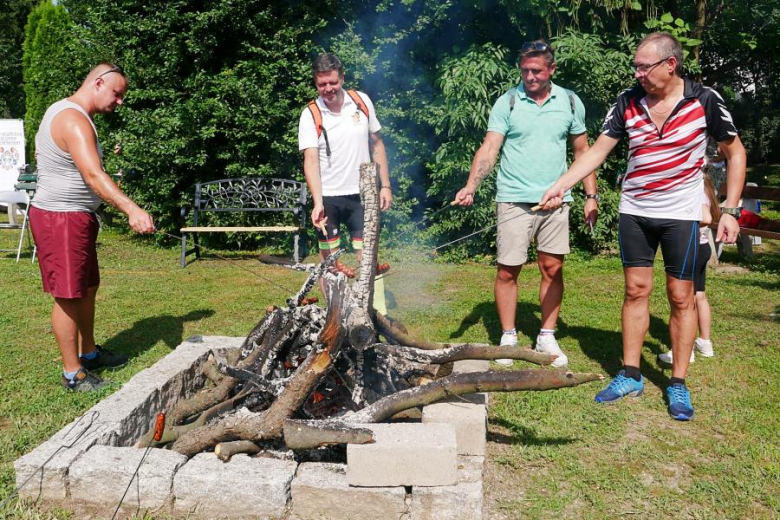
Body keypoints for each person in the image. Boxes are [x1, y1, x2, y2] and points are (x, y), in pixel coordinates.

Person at [540, 32, 746, 420]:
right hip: (635, 211)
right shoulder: (628, 101)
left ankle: (678, 382)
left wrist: (731, 210)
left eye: (643, 67)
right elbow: (598, 151)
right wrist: (561, 186)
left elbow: (735, 153)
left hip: (682, 213)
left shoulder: (704, 100)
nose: (637, 74)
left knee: (681, 295)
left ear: (670, 64)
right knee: (635, 290)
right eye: (635, 66)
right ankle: (631, 374)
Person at [454, 40, 598, 368]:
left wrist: (591, 196)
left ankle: (546, 335)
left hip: (556, 200)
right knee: (508, 269)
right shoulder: (507, 102)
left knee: (553, 268)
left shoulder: (570, 101)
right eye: (524, 71)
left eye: (536, 71)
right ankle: (508, 336)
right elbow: (490, 148)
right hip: (513, 199)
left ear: (552, 69)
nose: (530, 77)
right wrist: (471, 185)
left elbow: (583, 152)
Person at [29, 63, 155, 392]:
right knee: (69, 295)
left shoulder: (76, 115)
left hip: (76, 216)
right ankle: (73, 373)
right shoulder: (73, 119)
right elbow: (93, 175)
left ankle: (88, 353)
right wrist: (132, 209)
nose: (119, 101)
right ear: (98, 83)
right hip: (61, 217)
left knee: (87, 287)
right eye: (117, 93)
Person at [298, 53, 392, 269]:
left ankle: (372, 293)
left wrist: (385, 186)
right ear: (315, 83)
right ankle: (334, 294)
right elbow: (310, 161)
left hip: (363, 194)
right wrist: (317, 202)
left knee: (367, 257)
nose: (328, 89)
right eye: (322, 84)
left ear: (342, 78)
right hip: (328, 197)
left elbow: (377, 145)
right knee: (330, 263)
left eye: (333, 82)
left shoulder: (361, 101)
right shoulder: (310, 114)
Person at [658, 174, 720, 364]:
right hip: (702, 247)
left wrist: (680, 223)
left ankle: (687, 349)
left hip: (692, 249)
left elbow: (706, 218)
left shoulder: (696, 190)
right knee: (699, 295)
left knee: (686, 300)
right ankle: (705, 342)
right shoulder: (706, 189)